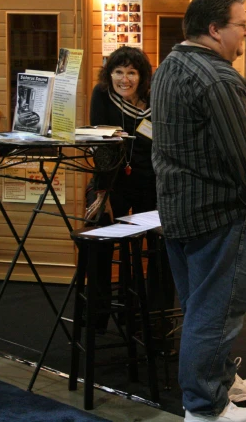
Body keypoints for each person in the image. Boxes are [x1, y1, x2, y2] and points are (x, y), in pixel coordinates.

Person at [151, 0, 246, 422]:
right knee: (216, 313)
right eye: (240, 25)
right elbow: (242, 155)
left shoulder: (169, 66)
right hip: (220, 216)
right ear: (213, 29)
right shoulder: (217, 79)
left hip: (181, 213)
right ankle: (206, 409)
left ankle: (220, 381)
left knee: (202, 307)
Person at [86, 46, 172, 331]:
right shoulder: (102, 95)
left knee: (163, 250)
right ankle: (97, 316)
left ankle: (154, 322)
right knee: (98, 234)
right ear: (109, 74)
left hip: (152, 183)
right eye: (119, 72)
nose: (125, 79)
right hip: (112, 182)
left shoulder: (157, 97)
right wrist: (102, 193)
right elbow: (101, 147)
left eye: (131, 72)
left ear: (142, 75)